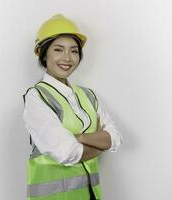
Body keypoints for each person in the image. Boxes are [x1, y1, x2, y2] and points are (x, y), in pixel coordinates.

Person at [23, 14, 123, 200]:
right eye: (58, 50)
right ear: (44, 54)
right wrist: (99, 143)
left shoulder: (88, 96)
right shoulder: (37, 97)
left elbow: (115, 139)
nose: (67, 58)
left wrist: (80, 137)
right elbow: (69, 153)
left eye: (74, 51)